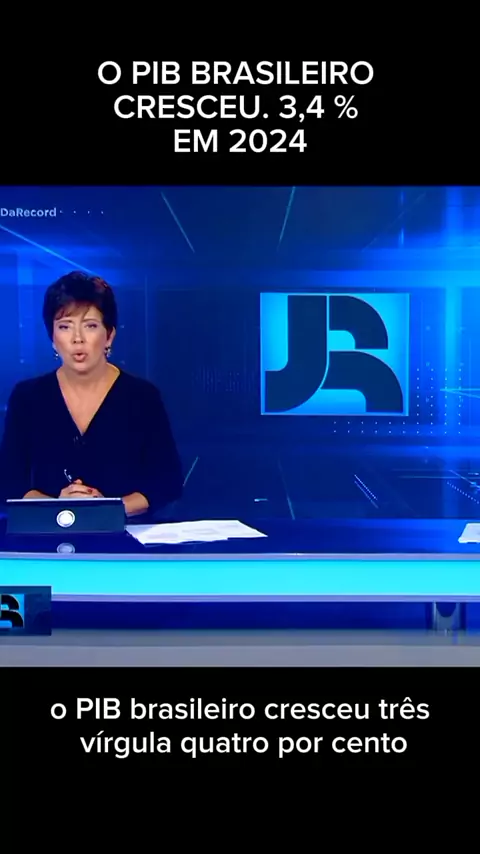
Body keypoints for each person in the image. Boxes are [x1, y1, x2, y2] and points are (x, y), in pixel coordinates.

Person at [0, 271, 183, 518]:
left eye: (90, 326)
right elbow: (9, 482)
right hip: (50, 535)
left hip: (127, 535)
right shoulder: (28, 397)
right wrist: (59, 508)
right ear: (52, 338)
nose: (77, 339)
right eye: (65, 327)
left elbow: (167, 482)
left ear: (109, 335)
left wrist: (106, 510)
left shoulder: (142, 397)